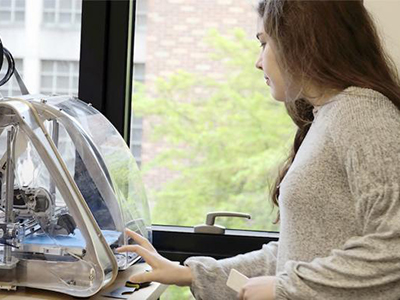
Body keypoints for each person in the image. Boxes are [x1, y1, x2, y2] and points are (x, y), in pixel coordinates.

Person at [117, 0, 400, 299]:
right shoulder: (330, 115)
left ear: (302, 42)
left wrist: (285, 288)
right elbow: (293, 256)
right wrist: (189, 274)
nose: (258, 61)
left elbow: (394, 245)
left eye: (264, 43)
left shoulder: (361, 114)